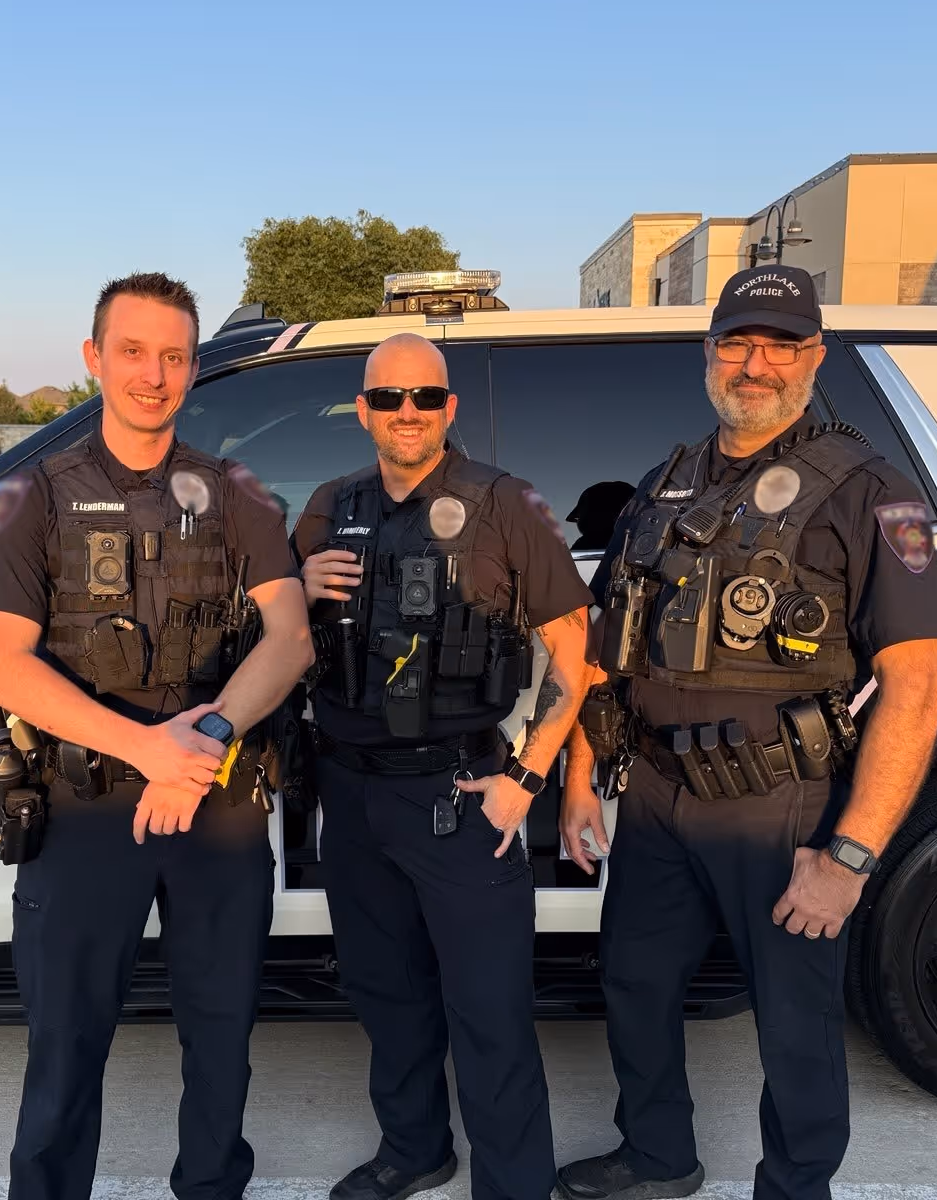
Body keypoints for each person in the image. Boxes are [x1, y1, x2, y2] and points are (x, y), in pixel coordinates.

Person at [555, 265, 937, 1200]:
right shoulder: (667, 482)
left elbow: (917, 690)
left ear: (815, 355)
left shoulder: (869, 491)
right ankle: (657, 1155)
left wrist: (846, 856)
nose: (755, 363)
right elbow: (610, 648)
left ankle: (795, 1186)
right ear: (709, 354)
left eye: (780, 343)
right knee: (636, 989)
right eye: (737, 342)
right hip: (653, 796)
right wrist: (581, 779)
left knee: (794, 1021)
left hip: (781, 804)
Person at [0, 272, 313, 1200]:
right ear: (93, 359)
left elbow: (290, 638)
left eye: (172, 355)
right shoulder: (28, 498)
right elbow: (6, 668)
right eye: (131, 351)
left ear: (194, 369)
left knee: (220, 1040)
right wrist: (145, 748)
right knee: (65, 1051)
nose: (151, 374)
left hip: (216, 802)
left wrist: (198, 744)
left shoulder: (238, 493)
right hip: (83, 813)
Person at [292, 333, 594, 1200]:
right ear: (364, 411)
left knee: (489, 1013)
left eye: (425, 396)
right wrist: (297, 584)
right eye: (388, 399)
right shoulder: (328, 507)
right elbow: (274, 634)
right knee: (386, 995)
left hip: (462, 797)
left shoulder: (503, 505)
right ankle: (414, 1150)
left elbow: (577, 662)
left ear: (449, 407)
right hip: (350, 795)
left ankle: (513, 1184)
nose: (407, 413)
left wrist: (528, 780)